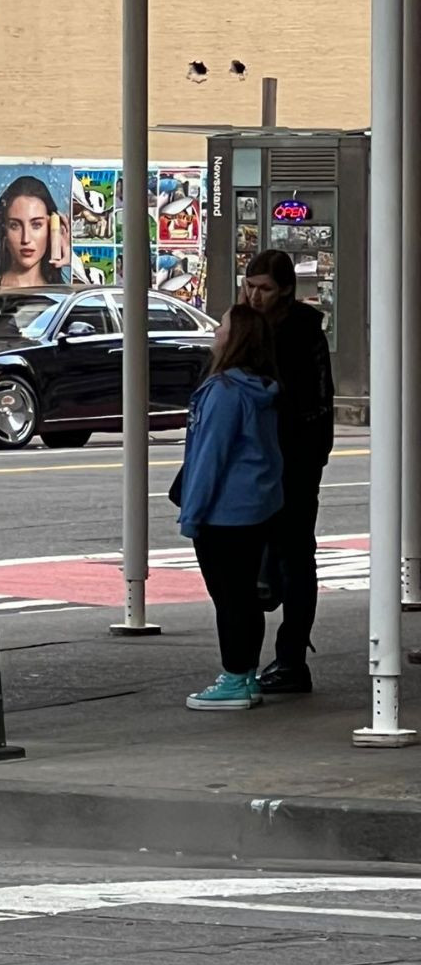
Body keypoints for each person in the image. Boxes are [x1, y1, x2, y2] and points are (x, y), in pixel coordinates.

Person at [175, 303, 284, 711]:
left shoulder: (223, 392)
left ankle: (235, 677)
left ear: (234, 339)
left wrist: (192, 514)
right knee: (244, 596)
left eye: (221, 326)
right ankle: (247, 674)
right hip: (255, 508)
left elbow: (208, 458)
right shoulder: (262, 389)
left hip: (223, 513)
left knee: (229, 598)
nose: (216, 332)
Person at [243, 249, 335, 695]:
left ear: (283, 290)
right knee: (283, 554)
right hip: (279, 455)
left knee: (295, 555)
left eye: (264, 288)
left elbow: (303, 401)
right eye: (250, 286)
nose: (255, 296)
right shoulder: (260, 325)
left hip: (291, 457)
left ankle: (291, 656)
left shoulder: (297, 333)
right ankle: (282, 652)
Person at [0, 176, 71, 288]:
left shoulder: (65, 297)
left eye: (36, 225)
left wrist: (76, 261)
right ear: (4, 231)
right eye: (15, 226)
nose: (26, 239)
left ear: (52, 229)